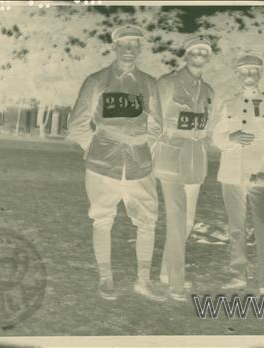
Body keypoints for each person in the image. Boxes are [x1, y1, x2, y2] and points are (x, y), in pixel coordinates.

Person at [66, 25, 166, 301]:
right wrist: (96, 147)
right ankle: (106, 278)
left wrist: (145, 148)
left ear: (141, 49)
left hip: (139, 163)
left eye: (135, 44)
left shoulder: (148, 83)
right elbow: (76, 124)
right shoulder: (96, 80)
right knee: (102, 219)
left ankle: (144, 280)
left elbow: (157, 125)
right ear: (115, 47)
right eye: (125, 44)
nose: (130, 49)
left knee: (148, 220)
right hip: (103, 163)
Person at [212, 51, 264, 297]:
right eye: (243, 71)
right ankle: (237, 274)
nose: (248, 75)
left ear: (260, 74)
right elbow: (217, 137)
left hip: (260, 175)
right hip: (232, 172)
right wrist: (229, 138)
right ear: (237, 74)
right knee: (236, 226)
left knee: (263, 224)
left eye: (253, 70)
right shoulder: (228, 104)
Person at [154, 36, 215, 301]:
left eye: (204, 51)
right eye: (194, 51)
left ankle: (167, 272)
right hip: (172, 158)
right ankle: (176, 282)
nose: (199, 55)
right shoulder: (167, 83)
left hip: (196, 158)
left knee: (187, 220)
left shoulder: (209, 91)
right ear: (186, 55)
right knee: (177, 218)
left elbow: (206, 124)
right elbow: (152, 120)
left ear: (208, 57)